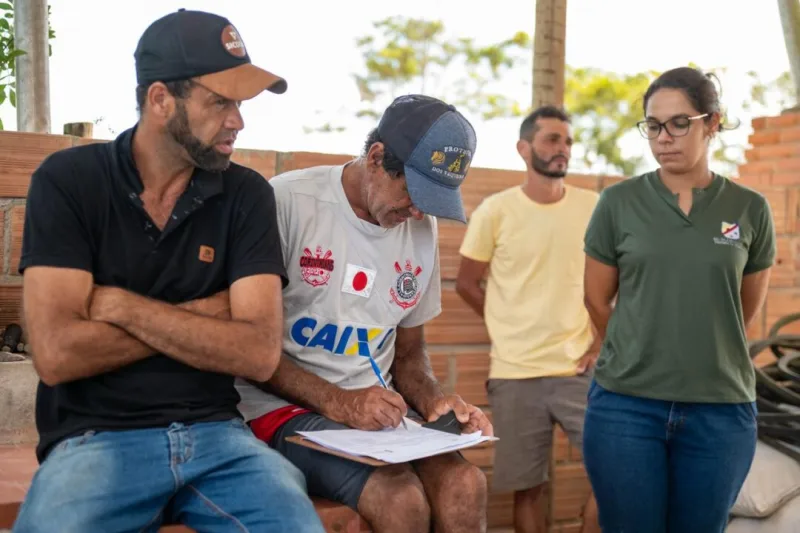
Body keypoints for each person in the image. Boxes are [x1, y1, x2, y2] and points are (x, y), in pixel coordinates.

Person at [13, 9, 325, 533]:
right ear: (160, 100)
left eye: (241, 104)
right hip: (97, 439)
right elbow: (57, 355)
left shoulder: (246, 195)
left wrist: (121, 306)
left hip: (220, 439)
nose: (238, 121)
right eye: (220, 102)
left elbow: (258, 351)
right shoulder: (68, 182)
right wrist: (207, 316)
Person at [234, 94, 493, 533]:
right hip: (280, 407)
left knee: (465, 484)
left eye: (431, 201)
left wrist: (435, 401)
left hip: (376, 416)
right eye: (413, 191)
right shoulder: (289, 202)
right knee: (400, 498)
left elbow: (408, 357)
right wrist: (342, 402)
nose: (417, 211)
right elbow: (249, 349)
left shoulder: (419, 229)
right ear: (376, 157)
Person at [582, 66, 776, 533]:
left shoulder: (749, 209)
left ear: (712, 122)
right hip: (626, 408)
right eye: (653, 125)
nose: (663, 137)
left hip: (720, 410)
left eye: (679, 123)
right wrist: (638, 348)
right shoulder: (618, 203)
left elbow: (741, 309)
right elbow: (595, 300)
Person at [455, 105, 600, 533]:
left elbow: (618, 283)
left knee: (613, 476)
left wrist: (600, 344)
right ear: (524, 148)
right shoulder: (495, 211)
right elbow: (466, 282)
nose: (563, 150)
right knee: (527, 490)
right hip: (515, 373)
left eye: (568, 142)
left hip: (578, 369)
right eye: (552, 140)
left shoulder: (594, 207)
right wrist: (504, 322)